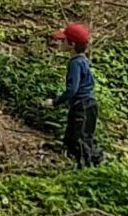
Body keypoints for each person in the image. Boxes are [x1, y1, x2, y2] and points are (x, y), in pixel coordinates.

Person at [43, 23, 104, 167]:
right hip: (89, 104)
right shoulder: (83, 60)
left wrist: (55, 102)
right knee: (78, 139)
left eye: (63, 41)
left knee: (79, 142)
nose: (60, 43)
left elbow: (72, 89)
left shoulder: (75, 63)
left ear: (72, 44)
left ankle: (91, 167)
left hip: (81, 106)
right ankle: (82, 167)